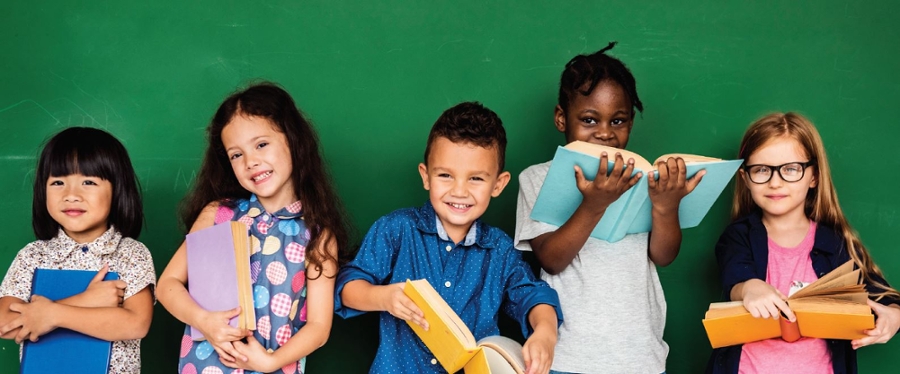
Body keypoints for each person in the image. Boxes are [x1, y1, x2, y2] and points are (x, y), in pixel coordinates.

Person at [514, 42, 703, 373]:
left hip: (640, 355)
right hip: (570, 356)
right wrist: (594, 204)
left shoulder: (645, 178)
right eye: (589, 119)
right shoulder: (537, 178)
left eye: (618, 121)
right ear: (561, 118)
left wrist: (666, 206)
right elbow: (551, 259)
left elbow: (664, 255)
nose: (604, 133)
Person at [335, 102, 562, 374]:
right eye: (445, 175)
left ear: (498, 184)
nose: (459, 191)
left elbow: (532, 294)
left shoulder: (499, 250)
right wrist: (382, 297)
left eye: (476, 179)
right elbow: (347, 287)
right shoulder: (396, 229)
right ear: (426, 176)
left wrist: (545, 333)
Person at [157, 82, 350, 374]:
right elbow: (167, 285)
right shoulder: (218, 214)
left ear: (293, 140)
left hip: (273, 366)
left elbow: (319, 327)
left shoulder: (318, 236)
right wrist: (204, 321)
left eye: (261, 144)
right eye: (236, 154)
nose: (251, 162)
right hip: (205, 365)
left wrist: (270, 362)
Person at [707, 112, 900, 374]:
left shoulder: (834, 242)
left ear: (814, 176)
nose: (775, 182)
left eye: (790, 169)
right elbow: (735, 276)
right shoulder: (738, 237)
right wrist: (750, 287)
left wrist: (894, 315)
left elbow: (881, 295)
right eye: (762, 170)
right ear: (745, 178)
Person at [0, 127, 156, 374]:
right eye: (58, 182)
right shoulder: (32, 255)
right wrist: (85, 301)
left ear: (117, 190)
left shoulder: (130, 253)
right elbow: (6, 323)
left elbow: (135, 324)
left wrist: (52, 314)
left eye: (88, 182)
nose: (71, 195)